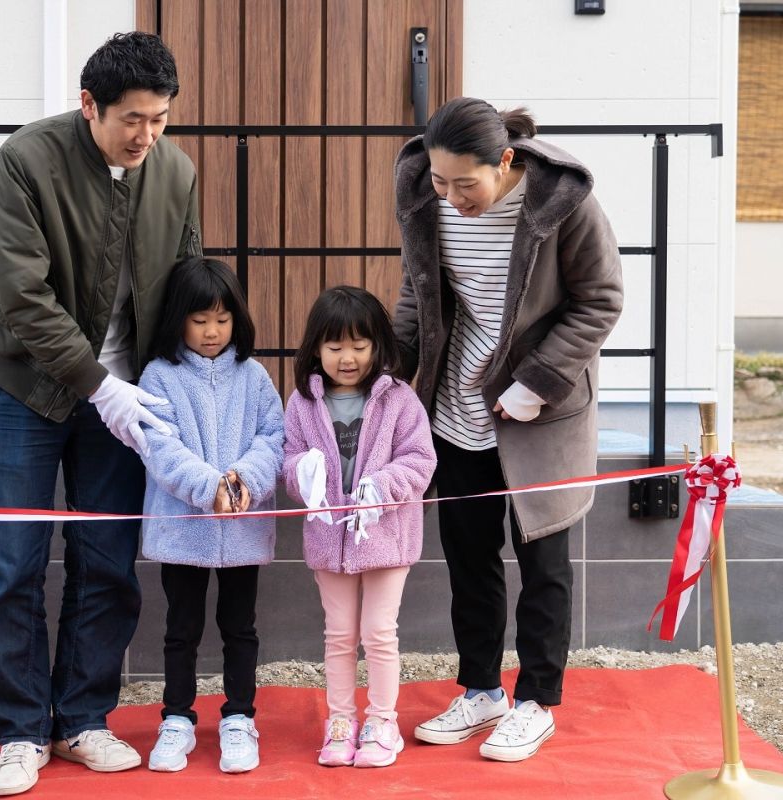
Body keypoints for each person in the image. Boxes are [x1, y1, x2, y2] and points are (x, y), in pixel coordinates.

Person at [0, 32, 201, 796]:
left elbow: (183, 292)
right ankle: (21, 731)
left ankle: (82, 720)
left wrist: (180, 387)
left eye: (160, 119)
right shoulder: (25, 162)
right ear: (88, 104)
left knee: (108, 563)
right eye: (132, 119)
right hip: (25, 389)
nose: (147, 136)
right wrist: (98, 384)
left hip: (127, 399)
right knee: (13, 564)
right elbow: (20, 299)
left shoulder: (175, 171)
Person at [392, 97, 623, 762]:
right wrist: (392, 372)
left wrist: (539, 381)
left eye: (467, 184)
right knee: (470, 558)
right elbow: (418, 291)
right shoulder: (424, 194)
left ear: (506, 161)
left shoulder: (562, 203)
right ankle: (483, 689)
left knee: (544, 559)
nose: (452, 197)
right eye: (440, 182)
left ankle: (536, 701)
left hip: (536, 412)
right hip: (456, 411)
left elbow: (601, 298)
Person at [135, 256, 284, 774]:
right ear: (178, 318)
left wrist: (241, 482)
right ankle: (177, 718)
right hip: (184, 530)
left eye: (222, 319)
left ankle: (239, 716)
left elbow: (274, 437)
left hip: (242, 529)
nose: (212, 331)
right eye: (200, 320)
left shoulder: (255, 375)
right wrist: (209, 488)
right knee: (182, 627)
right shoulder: (159, 376)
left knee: (240, 627)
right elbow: (160, 447)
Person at [282, 286, 436, 769]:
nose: (346, 358)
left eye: (359, 345)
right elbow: (288, 463)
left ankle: (383, 721)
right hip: (330, 542)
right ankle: (341, 721)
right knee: (339, 634)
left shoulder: (399, 399)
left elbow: (419, 459)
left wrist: (383, 484)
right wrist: (300, 472)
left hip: (388, 539)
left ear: (377, 346)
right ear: (316, 348)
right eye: (334, 347)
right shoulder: (303, 403)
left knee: (379, 632)